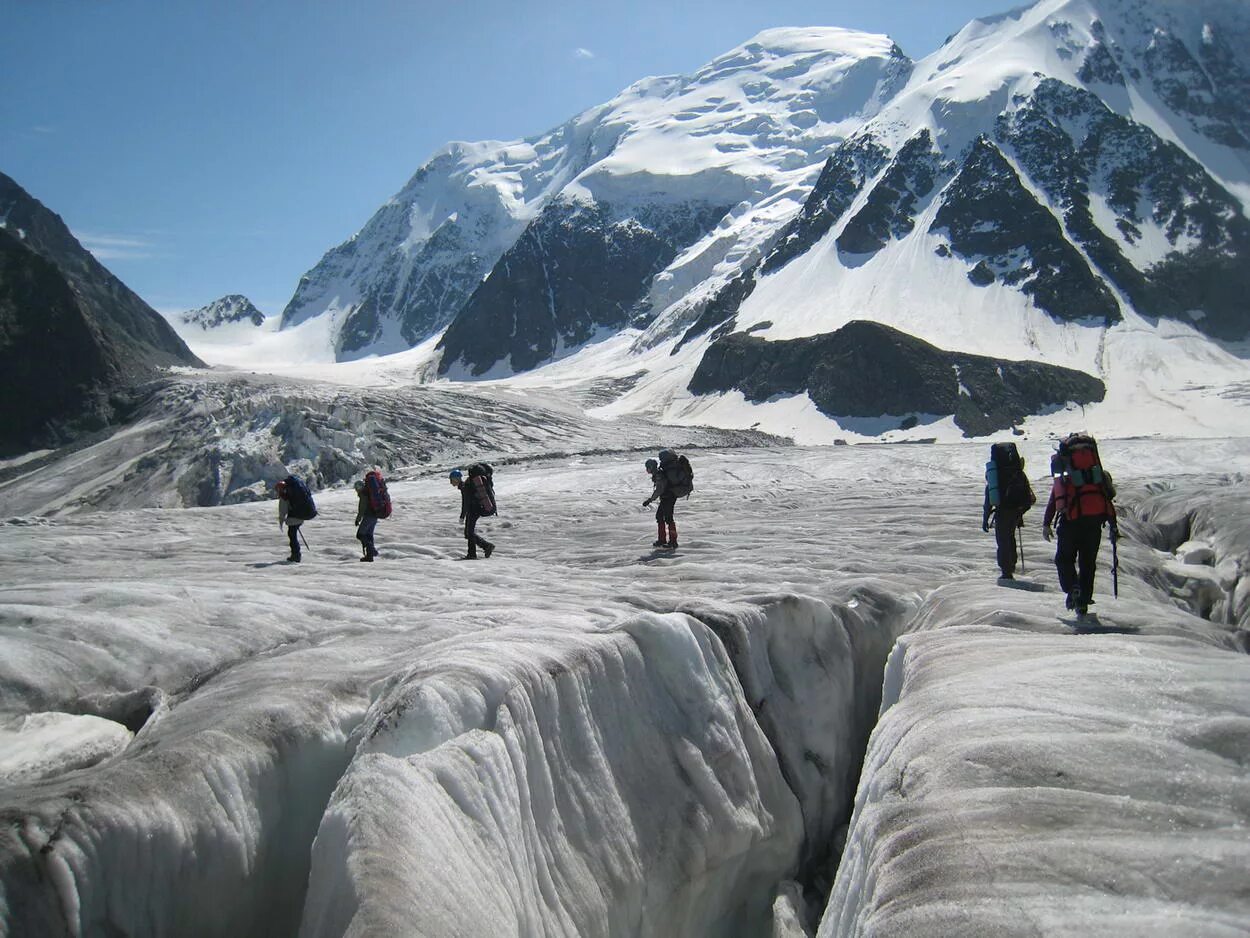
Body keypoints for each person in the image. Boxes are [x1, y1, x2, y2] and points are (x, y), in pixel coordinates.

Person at [1043, 434, 1117, 617]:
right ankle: (1083, 603)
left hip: (1071, 521)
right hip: (1094, 522)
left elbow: (1055, 498)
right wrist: (1113, 524)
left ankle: (1072, 587)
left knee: (1064, 559)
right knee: (1088, 563)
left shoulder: (1066, 475)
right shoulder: (1096, 473)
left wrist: (1046, 523)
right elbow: (1107, 496)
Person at [982, 443, 1036, 580]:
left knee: (1003, 540)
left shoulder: (997, 474)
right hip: (1017, 510)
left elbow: (990, 496)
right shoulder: (1017, 472)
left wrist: (985, 518)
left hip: (1003, 510)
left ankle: (1006, 572)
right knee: (1010, 538)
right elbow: (1027, 493)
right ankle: (1011, 565)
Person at [450, 468, 494, 560]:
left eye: (451, 480)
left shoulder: (465, 486)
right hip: (475, 510)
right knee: (468, 533)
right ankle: (476, 551)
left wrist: (462, 516)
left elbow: (465, 503)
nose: (451, 482)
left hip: (473, 510)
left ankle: (483, 548)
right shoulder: (466, 485)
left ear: (456, 479)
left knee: (469, 533)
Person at [276, 475, 316, 563]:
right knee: (292, 532)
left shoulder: (285, 494)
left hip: (296, 514)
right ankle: (296, 554)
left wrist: (281, 521)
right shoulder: (295, 489)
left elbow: (283, 510)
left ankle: (296, 555)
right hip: (302, 512)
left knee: (292, 534)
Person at [642, 457, 678, 549]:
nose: (647, 470)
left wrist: (649, 500)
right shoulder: (659, 473)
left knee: (668, 519)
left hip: (668, 498)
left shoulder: (659, 475)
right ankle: (663, 540)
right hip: (667, 497)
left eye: (647, 467)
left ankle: (672, 541)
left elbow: (659, 490)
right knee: (660, 517)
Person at [353, 479, 380, 562]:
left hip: (368, 516)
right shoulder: (369, 493)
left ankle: (370, 554)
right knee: (369, 535)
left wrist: (358, 519)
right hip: (375, 516)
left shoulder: (363, 494)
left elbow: (362, 509)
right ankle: (373, 552)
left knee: (360, 534)